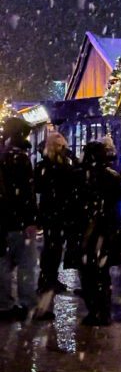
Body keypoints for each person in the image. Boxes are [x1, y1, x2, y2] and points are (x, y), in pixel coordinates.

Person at [35, 130, 79, 312]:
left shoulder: (46, 166)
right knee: (53, 247)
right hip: (56, 211)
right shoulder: (55, 167)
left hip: (54, 211)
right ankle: (47, 279)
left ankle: (49, 278)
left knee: (54, 246)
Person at [78, 141, 121, 326]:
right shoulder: (113, 176)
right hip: (105, 229)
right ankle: (104, 311)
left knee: (87, 272)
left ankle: (94, 310)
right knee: (102, 273)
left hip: (86, 230)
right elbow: (116, 201)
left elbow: (74, 203)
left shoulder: (79, 176)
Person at [0, 117, 39, 320]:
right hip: (18, 221)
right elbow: (26, 193)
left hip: (3, 221)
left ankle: (4, 304)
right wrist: (31, 219)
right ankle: (27, 303)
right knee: (26, 264)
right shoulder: (20, 159)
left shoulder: (3, 155)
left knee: (3, 264)